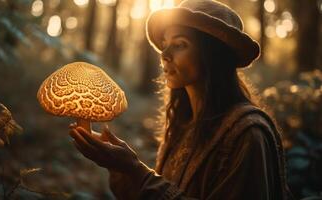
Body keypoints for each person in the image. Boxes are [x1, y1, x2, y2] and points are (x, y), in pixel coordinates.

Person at [69, 0, 293, 199]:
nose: (164, 54)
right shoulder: (182, 124)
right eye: (164, 43)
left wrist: (136, 170)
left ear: (213, 55)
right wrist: (121, 167)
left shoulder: (249, 134)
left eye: (180, 44)